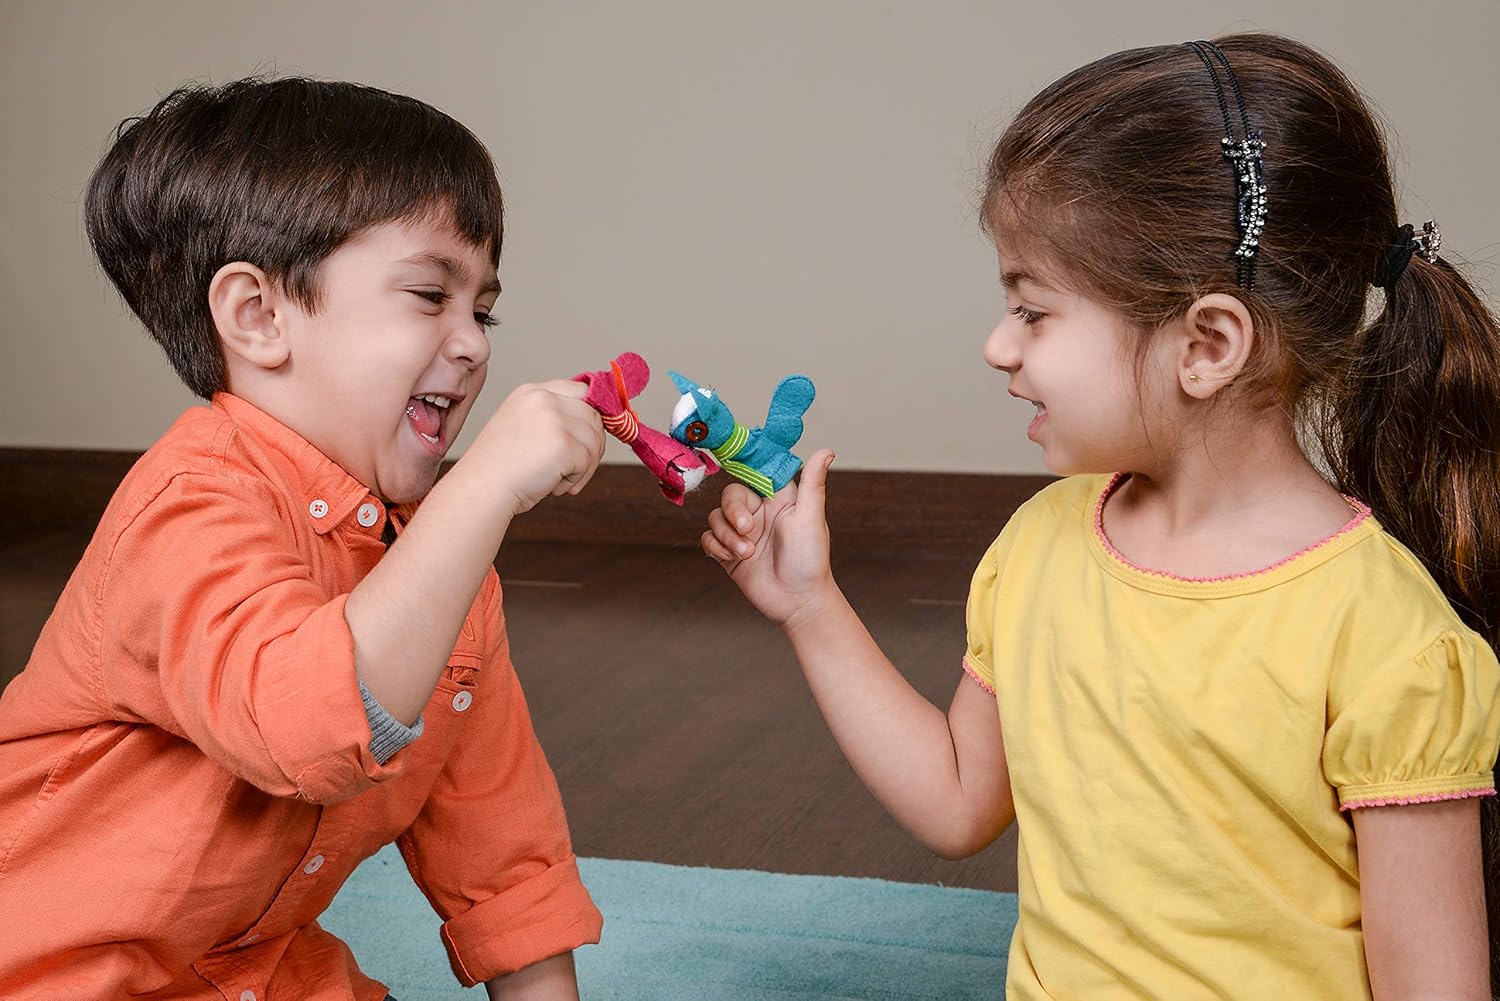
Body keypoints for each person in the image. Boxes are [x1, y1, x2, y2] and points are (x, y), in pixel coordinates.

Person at [701, 34, 1500, 999]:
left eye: (1033, 310)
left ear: (1207, 343)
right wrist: (810, 604)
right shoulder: (1042, 544)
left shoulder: (1388, 642)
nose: (998, 344)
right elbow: (959, 799)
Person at [0, 77, 607, 1000]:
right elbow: (308, 725)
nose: (474, 344)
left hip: (244, 964)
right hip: (50, 964)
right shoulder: (187, 504)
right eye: (427, 295)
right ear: (257, 316)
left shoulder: (443, 559)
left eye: (481, 311)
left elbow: (503, 846)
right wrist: (481, 486)